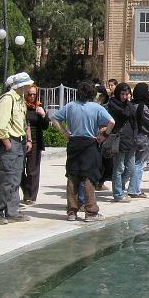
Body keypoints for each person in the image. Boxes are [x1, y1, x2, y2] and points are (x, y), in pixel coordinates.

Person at [50, 81, 115, 222]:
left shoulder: (70, 106)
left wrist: (65, 133)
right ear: (92, 93)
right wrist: (104, 135)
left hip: (74, 143)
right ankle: (91, 212)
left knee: (73, 176)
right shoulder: (96, 107)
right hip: (90, 144)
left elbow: (54, 118)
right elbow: (112, 122)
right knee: (88, 178)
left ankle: (72, 211)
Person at [0, 72, 34, 225]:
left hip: (19, 142)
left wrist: (27, 139)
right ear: (20, 85)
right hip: (10, 143)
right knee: (6, 179)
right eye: (27, 84)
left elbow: (22, 122)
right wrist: (7, 142)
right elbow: (1, 124)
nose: (29, 86)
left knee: (15, 178)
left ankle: (12, 211)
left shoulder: (20, 99)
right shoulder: (8, 99)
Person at [128, 83, 149, 199]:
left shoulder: (131, 105)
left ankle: (127, 188)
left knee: (131, 163)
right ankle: (134, 190)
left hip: (132, 137)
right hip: (142, 138)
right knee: (139, 164)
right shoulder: (142, 107)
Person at [106, 83, 135, 202]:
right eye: (122, 94)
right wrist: (128, 103)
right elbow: (125, 114)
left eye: (127, 94)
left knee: (130, 168)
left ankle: (121, 187)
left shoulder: (129, 104)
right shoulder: (113, 104)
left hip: (130, 139)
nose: (124, 97)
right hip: (119, 139)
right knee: (119, 167)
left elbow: (133, 119)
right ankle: (118, 194)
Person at [20, 85, 49, 205]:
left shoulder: (39, 107)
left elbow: (45, 126)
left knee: (32, 170)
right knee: (19, 169)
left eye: (34, 94)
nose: (32, 97)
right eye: (29, 94)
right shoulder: (21, 106)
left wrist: (43, 115)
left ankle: (30, 196)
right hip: (21, 140)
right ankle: (26, 190)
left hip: (36, 141)